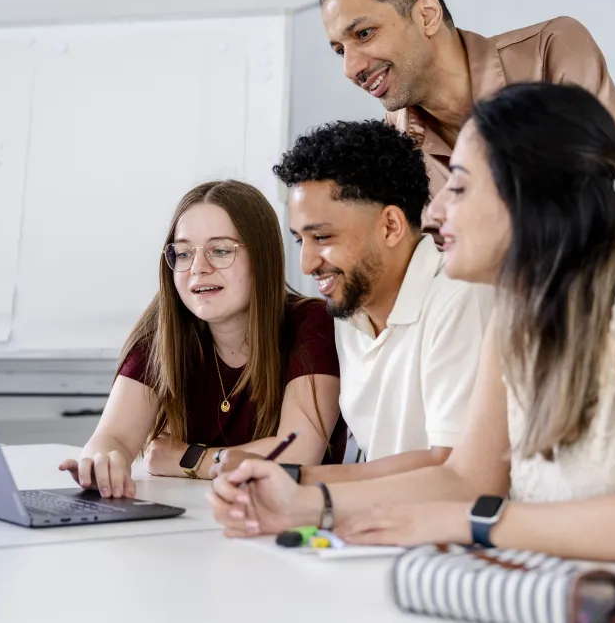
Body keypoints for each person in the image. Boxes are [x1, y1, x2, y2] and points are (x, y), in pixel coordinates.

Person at [206, 83, 615, 576]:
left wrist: (451, 523)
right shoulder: (515, 308)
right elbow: (465, 478)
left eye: (458, 187)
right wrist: (304, 505)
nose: (433, 214)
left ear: (530, 193)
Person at [318, 0, 615, 243]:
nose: (351, 69)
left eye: (364, 33)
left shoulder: (550, 53)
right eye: (339, 51)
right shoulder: (394, 139)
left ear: (426, 14)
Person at [210, 119, 491, 485]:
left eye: (322, 237)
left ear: (390, 226)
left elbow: (450, 465)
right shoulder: (349, 312)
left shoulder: (460, 297)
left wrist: (298, 480)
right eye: (300, 241)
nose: (306, 264)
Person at [59, 180, 346, 498]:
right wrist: (101, 461)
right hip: (190, 518)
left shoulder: (312, 323)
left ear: (262, 258)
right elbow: (112, 438)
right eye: (183, 253)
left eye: (220, 251)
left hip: (290, 518)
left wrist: (188, 458)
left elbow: (296, 455)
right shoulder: (164, 328)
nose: (197, 268)